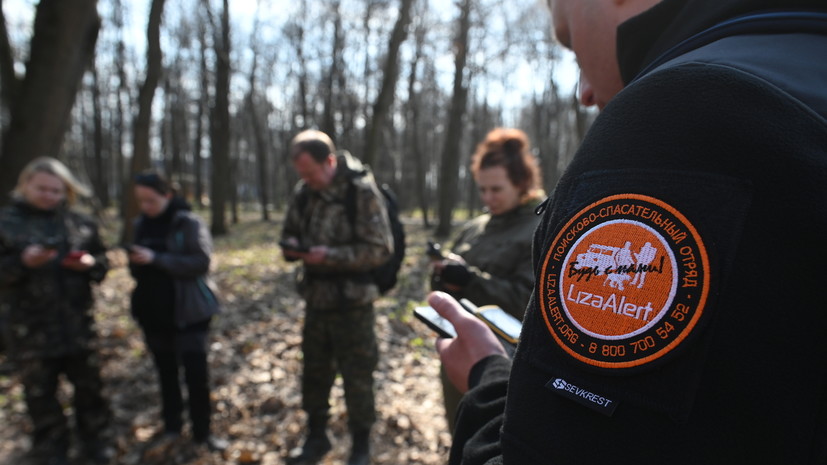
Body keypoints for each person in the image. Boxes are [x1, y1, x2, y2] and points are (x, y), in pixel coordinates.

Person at [435, 0, 827, 463]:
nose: (582, 91)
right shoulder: (802, 67)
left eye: (569, 41)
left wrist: (488, 379)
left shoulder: (681, 113)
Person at [280, 129, 393, 465]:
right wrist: (294, 250)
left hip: (353, 303)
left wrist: (329, 255)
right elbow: (288, 232)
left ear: (329, 161)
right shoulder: (304, 193)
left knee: (358, 375)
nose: (307, 180)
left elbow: (380, 249)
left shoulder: (359, 192)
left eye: (311, 173)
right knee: (314, 373)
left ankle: (360, 446)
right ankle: (317, 437)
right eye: (301, 174)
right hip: (316, 300)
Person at [429, 127, 544, 433]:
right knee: (459, 432)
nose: (487, 198)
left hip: (504, 364)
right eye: (482, 190)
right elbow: (447, 285)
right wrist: (444, 274)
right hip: (458, 351)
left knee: (493, 440)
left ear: (521, 184)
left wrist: (470, 281)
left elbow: (528, 300)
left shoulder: (540, 228)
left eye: (496, 189)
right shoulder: (476, 227)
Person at [0, 157, 113, 465]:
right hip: (29, 329)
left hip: (77, 324)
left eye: (56, 190)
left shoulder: (80, 223)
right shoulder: (5, 222)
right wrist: (20, 264)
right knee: (40, 393)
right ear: (25, 186)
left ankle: (94, 442)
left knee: (90, 389)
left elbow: (102, 263)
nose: (49, 196)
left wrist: (91, 264)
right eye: (42, 189)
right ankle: (51, 446)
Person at [127, 172, 227, 452]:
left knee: (196, 374)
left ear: (167, 195)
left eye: (151, 200)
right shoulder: (140, 225)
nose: (146, 206)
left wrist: (157, 258)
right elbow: (135, 269)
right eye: (141, 201)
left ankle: (202, 432)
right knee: (165, 373)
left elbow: (201, 261)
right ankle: (172, 426)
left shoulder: (188, 222)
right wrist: (137, 260)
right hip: (153, 312)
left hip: (190, 311)